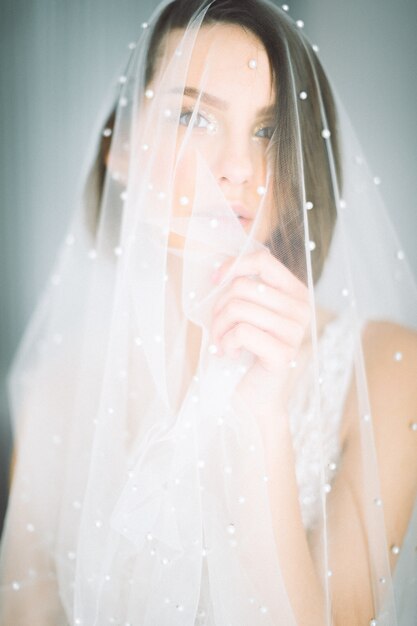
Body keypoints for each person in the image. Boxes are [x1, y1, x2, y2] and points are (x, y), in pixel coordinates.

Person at [1, 0, 416, 624]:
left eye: (269, 131)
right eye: (192, 116)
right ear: (120, 150)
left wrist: (263, 413)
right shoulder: (55, 394)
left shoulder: (388, 371)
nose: (238, 170)